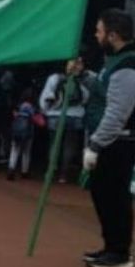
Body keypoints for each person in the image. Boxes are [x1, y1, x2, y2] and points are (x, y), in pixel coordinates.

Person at [73, 9, 135, 267]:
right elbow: (105, 88)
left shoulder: (131, 66)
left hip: (123, 141)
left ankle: (119, 252)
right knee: (103, 193)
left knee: (114, 195)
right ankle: (112, 247)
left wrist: (96, 145)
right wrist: (84, 75)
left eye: (99, 31)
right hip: (116, 139)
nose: (96, 36)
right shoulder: (116, 61)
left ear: (113, 34)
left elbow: (117, 113)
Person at [39, 54, 92, 183]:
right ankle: (63, 174)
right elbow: (86, 98)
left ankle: (50, 172)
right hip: (76, 115)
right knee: (70, 144)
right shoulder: (84, 80)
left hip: (55, 114)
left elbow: (46, 96)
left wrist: (44, 110)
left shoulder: (55, 78)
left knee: (54, 144)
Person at [7, 87, 37, 180]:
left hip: (17, 130)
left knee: (15, 150)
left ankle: (11, 168)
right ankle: (24, 171)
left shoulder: (18, 106)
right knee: (26, 152)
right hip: (28, 131)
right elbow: (34, 118)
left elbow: (14, 115)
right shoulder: (32, 107)